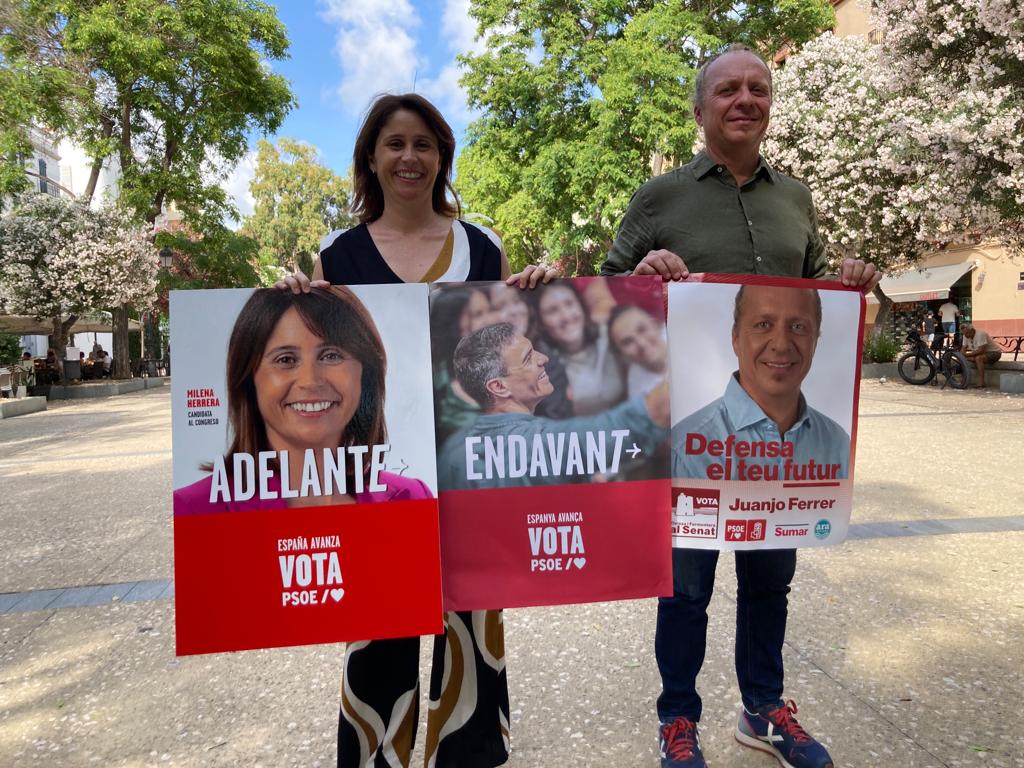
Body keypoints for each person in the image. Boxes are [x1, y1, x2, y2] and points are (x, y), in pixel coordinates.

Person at [600, 44, 880, 768]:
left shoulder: (797, 198)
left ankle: (763, 710)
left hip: (781, 445)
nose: (745, 100)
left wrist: (847, 282)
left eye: (758, 88)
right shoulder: (661, 196)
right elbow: (607, 292)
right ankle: (678, 716)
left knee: (768, 582)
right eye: (728, 90)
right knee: (686, 586)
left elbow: (817, 289)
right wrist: (641, 273)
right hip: (694, 436)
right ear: (701, 109)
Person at [279, 92, 554, 768]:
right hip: (379, 479)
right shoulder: (336, 257)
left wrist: (540, 292)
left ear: (442, 156)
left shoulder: (482, 247)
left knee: (473, 635)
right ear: (371, 158)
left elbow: (510, 343)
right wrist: (285, 306)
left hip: (469, 475)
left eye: (424, 143)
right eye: (395, 143)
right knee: (378, 635)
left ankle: (472, 756)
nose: (410, 156)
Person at [173, 287, 430, 515]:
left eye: (331, 355)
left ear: (366, 373)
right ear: (249, 380)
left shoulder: (412, 498)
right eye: (285, 360)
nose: (310, 381)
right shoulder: (195, 508)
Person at [437, 323, 670, 490]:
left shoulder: (451, 452)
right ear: (498, 386)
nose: (543, 359)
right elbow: (638, 421)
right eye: (528, 358)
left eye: (534, 349)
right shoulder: (546, 444)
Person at [672, 286, 849, 481]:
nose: (781, 345)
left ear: (815, 341)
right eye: (763, 324)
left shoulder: (838, 444)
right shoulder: (681, 451)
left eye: (798, 327)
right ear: (735, 339)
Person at [532, 281, 626, 416]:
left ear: (581, 306)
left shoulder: (611, 336)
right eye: (553, 310)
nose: (566, 316)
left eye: (569, 304)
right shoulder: (543, 367)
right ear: (541, 323)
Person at [608, 304, 669, 397]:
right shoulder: (638, 393)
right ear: (622, 354)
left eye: (642, 330)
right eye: (628, 342)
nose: (641, 344)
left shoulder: (686, 335)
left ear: (656, 325)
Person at [961, 324, 1002, 389]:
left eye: (967, 333)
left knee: (979, 358)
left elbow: (981, 350)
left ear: (972, 330)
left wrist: (966, 355)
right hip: (979, 354)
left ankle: (981, 382)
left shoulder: (980, 334)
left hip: (994, 353)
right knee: (964, 359)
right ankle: (971, 360)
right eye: (963, 333)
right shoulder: (965, 336)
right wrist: (961, 355)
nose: (965, 335)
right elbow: (963, 349)